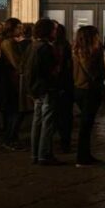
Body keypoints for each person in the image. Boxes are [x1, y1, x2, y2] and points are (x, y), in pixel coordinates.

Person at [25, 18, 61, 165]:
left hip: (36, 88)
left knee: (37, 121)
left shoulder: (33, 46)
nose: (55, 32)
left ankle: (35, 154)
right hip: (46, 88)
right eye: (53, 30)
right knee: (47, 122)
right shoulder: (46, 48)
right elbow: (49, 70)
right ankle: (44, 155)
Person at [72, 25, 105, 166]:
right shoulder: (88, 52)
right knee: (86, 124)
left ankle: (85, 155)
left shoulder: (75, 50)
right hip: (89, 90)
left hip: (79, 88)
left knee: (87, 124)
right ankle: (82, 157)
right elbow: (92, 72)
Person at [0, 18, 27, 150]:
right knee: (14, 111)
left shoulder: (9, 42)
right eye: (19, 27)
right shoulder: (8, 43)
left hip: (10, 80)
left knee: (13, 111)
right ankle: (10, 139)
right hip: (10, 81)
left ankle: (11, 138)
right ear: (12, 28)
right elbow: (16, 62)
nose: (21, 30)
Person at [52, 22, 74, 152]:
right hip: (64, 84)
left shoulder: (59, 45)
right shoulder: (63, 45)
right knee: (64, 115)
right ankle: (64, 141)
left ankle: (63, 141)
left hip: (60, 83)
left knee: (60, 114)